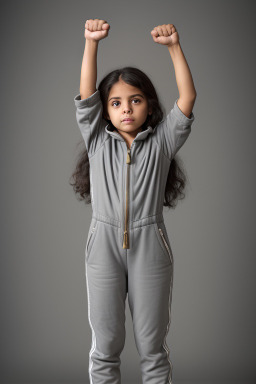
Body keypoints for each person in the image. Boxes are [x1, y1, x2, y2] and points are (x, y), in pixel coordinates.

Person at [70, 18, 196, 384]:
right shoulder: (96, 139)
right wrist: (91, 42)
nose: (126, 109)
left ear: (148, 107)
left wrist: (174, 47)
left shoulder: (162, 142)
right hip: (103, 245)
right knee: (105, 345)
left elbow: (187, 99)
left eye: (135, 101)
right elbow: (86, 92)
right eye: (116, 103)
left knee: (152, 347)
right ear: (105, 111)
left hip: (151, 246)